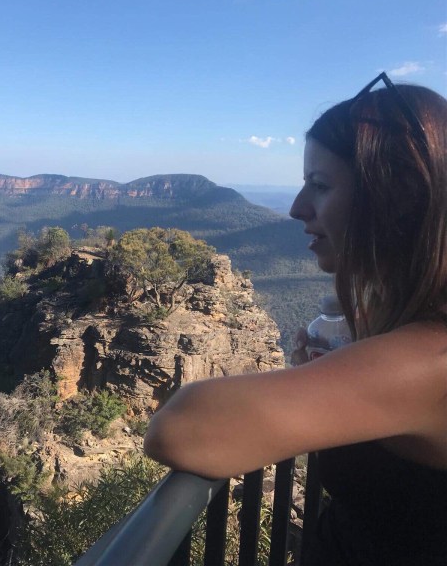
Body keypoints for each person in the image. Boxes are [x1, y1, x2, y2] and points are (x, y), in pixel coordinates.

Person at [144, 74, 447, 565]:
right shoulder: (409, 331)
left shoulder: (431, 356)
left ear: (400, 196)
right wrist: (341, 370)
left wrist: (330, 380)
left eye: (320, 186)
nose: (296, 208)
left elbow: (179, 428)